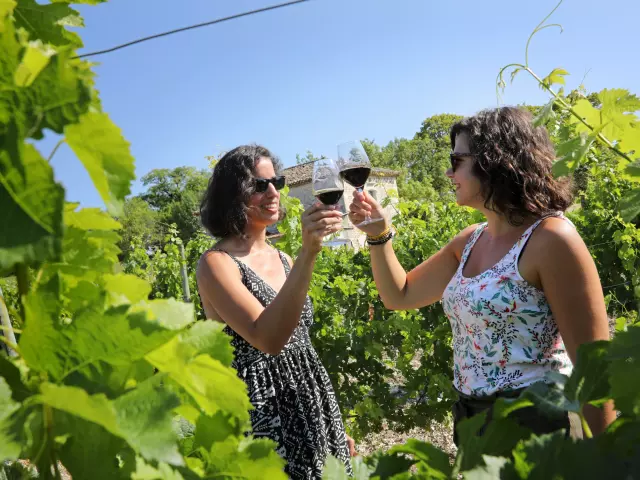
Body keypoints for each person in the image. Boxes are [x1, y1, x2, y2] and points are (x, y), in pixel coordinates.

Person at [347, 107, 615, 443]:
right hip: (473, 421)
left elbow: (594, 366)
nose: (448, 172)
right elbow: (399, 295)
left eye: (457, 160)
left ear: (494, 161)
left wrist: (610, 460)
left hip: (537, 426)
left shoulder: (551, 239)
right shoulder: (469, 241)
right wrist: (378, 234)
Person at [196, 145, 355, 479]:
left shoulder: (283, 259)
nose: (273, 192)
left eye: (277, 182)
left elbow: (300, 344)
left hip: (312, 401)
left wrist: (331, 423)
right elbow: (267, 338)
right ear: (232, 195)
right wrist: (308, 254)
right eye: (259, 185)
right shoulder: (216, 265)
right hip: (265, 414)